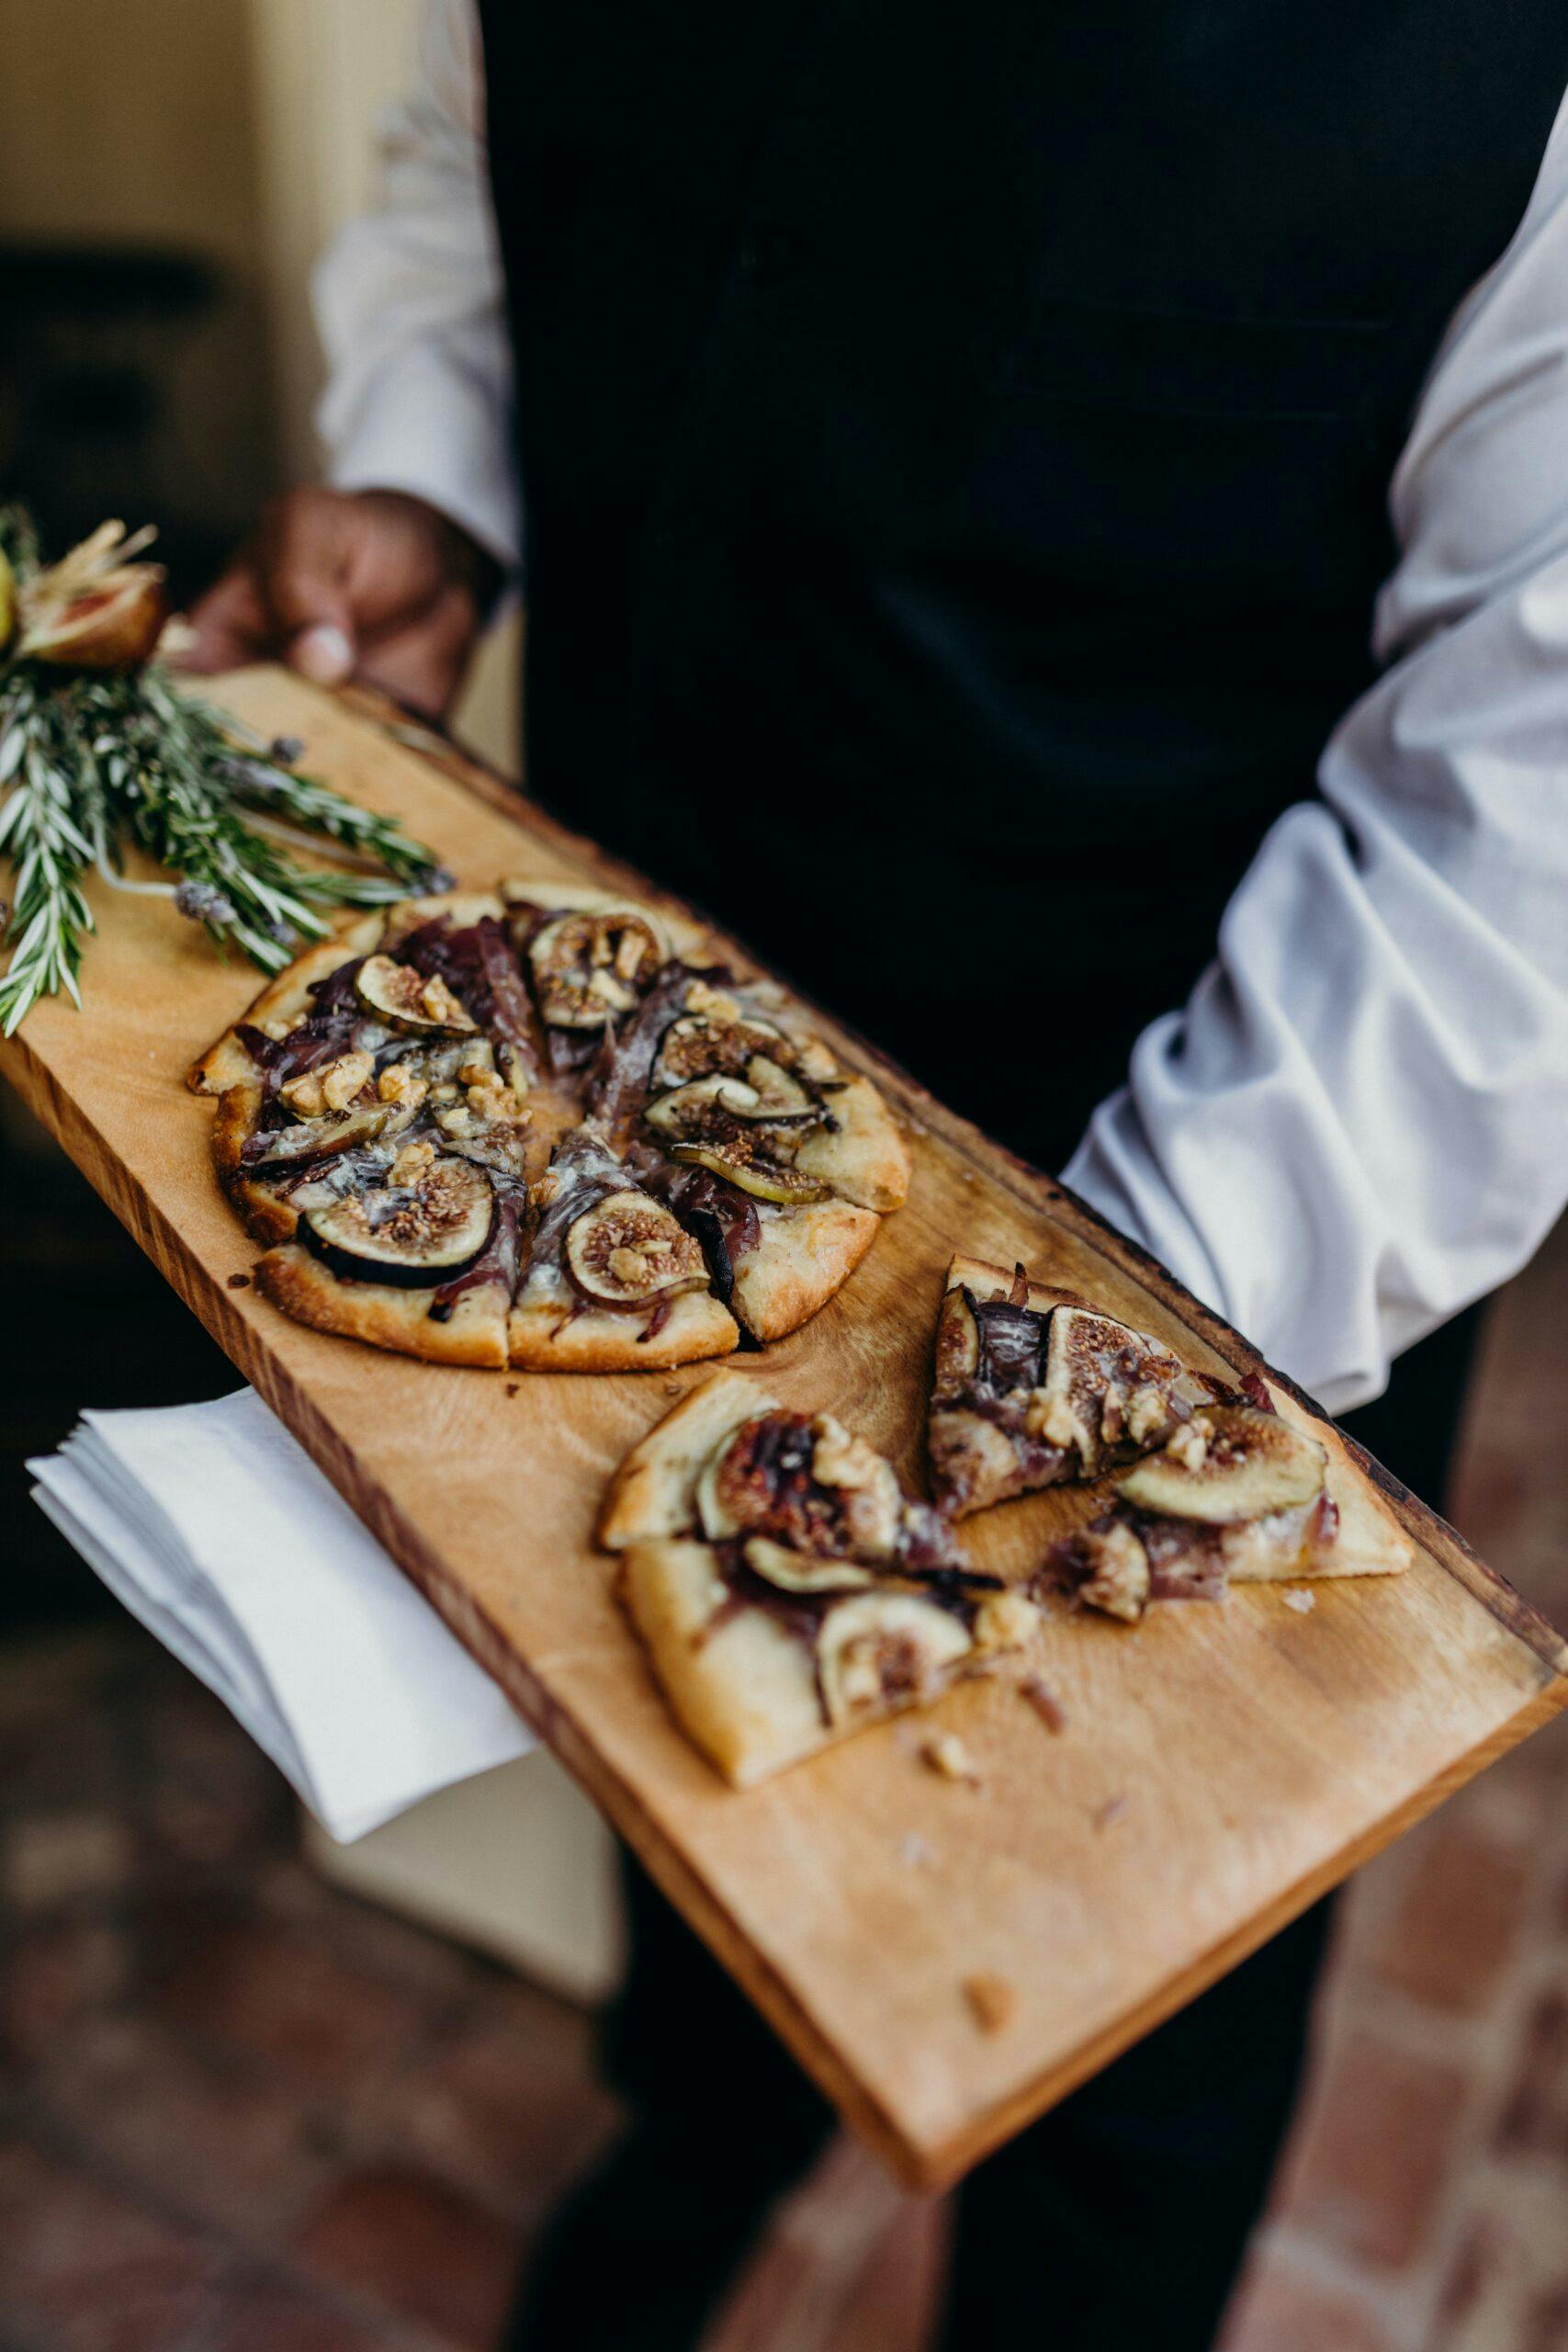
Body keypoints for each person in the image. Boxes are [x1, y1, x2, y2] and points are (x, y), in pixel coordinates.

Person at [185, 5, 1568, 2345]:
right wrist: (428, 471)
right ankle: (696, 2139)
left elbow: (1513, 832)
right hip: (638, 1042)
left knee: (1126, 2045)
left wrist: (1056, 1359)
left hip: (1221, 1218)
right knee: (693, 1841)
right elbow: (474, 108)